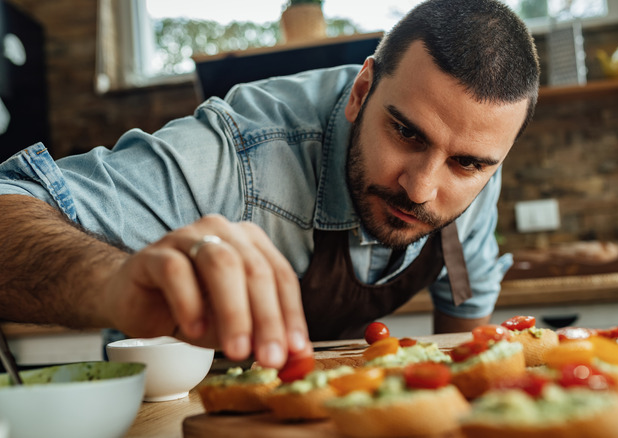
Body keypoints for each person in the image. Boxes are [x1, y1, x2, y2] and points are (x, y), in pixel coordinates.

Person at [0, 0, 539, 369]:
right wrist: (115, 281)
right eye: (405, 133)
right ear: (362, 91)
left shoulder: (476, 158)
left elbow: (468, 337)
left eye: (467, 165)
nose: (422, 188)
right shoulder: (240, 151)